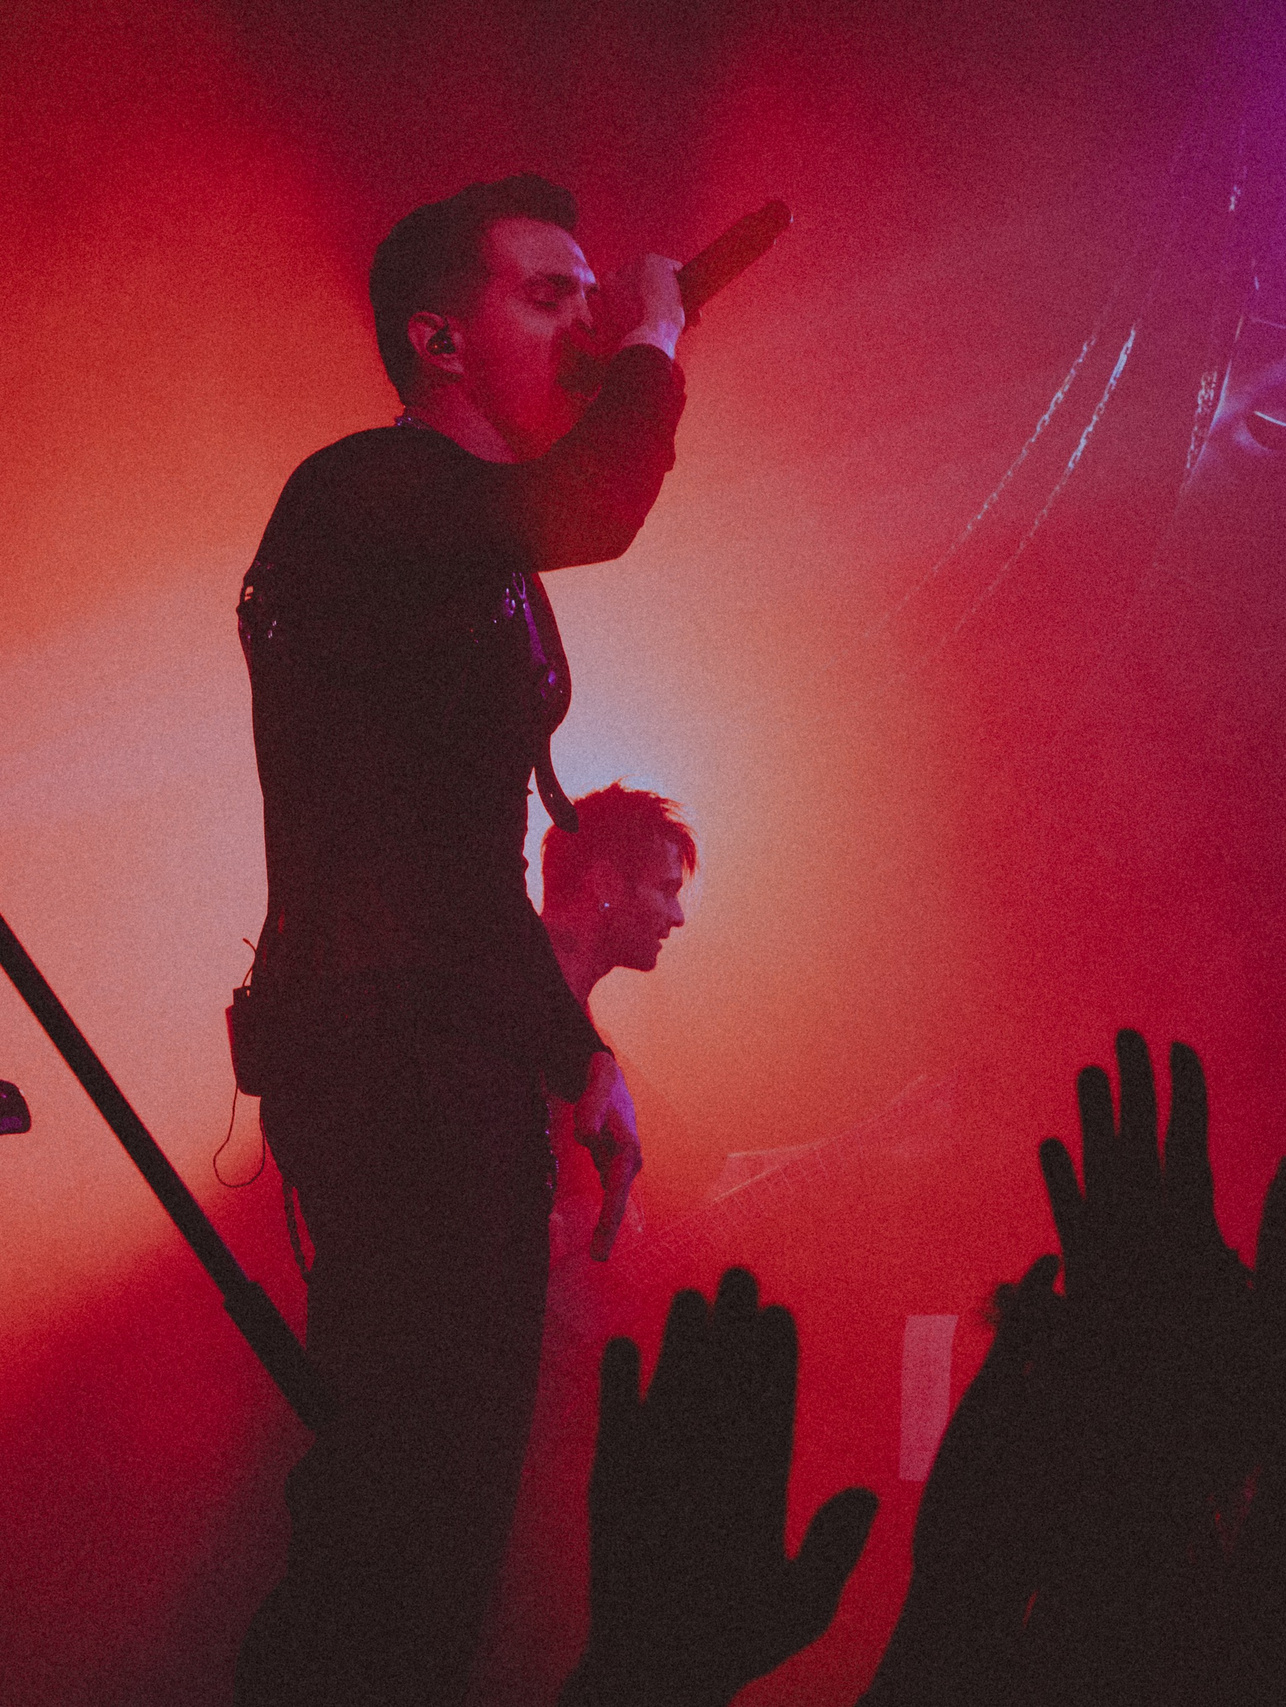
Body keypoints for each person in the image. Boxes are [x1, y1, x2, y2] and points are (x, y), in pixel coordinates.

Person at [234, 173, 686, 1706]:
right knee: (401, 1508)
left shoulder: (479, 553)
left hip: (449, 1045)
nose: (582, 322)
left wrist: (578, 1052)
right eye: (547, 296)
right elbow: (596, 507)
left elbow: (461, 856)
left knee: (444, 1518)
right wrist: (660, 340)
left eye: (589, 296)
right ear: (440, 336)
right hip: (383, 1048)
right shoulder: (366, 490)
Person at [540, 782, 698, 1260]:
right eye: (666, 889)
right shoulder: (509, 1014)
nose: (678, 916)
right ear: (604, 883)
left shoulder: (577, 1024)